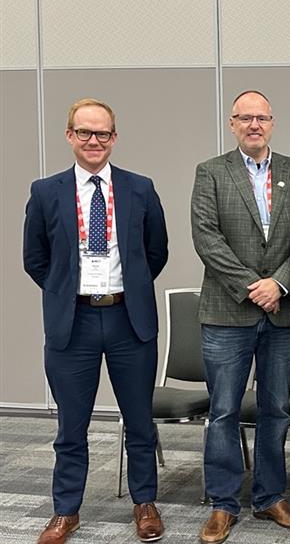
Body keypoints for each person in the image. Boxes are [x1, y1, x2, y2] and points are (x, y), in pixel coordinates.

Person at [23, 98, 168, 544]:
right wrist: (69, 291)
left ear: (114, 138)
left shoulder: (140, 188)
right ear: (69, 136)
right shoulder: (45, 192)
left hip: (130, 321)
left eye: (102, 133)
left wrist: (130, 291)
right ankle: (66, 511)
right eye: (84, 132)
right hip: (74, 324)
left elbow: (155, 252)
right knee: (71, 426)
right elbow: (36, 260)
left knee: (140, 422)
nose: (93, 141)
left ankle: (144, 503)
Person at [190, 90, 290, 543]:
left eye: (262, 117)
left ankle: (269, 497)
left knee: (275, 410)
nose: (254, 125)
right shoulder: (211, 173)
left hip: (283, 311)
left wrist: (278, 283)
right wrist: (252, 287)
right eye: (246, 118)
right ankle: (222, 503)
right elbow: (206, 239)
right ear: (232, 123)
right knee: (223, 411)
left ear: (273, 122)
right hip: (228, 312)